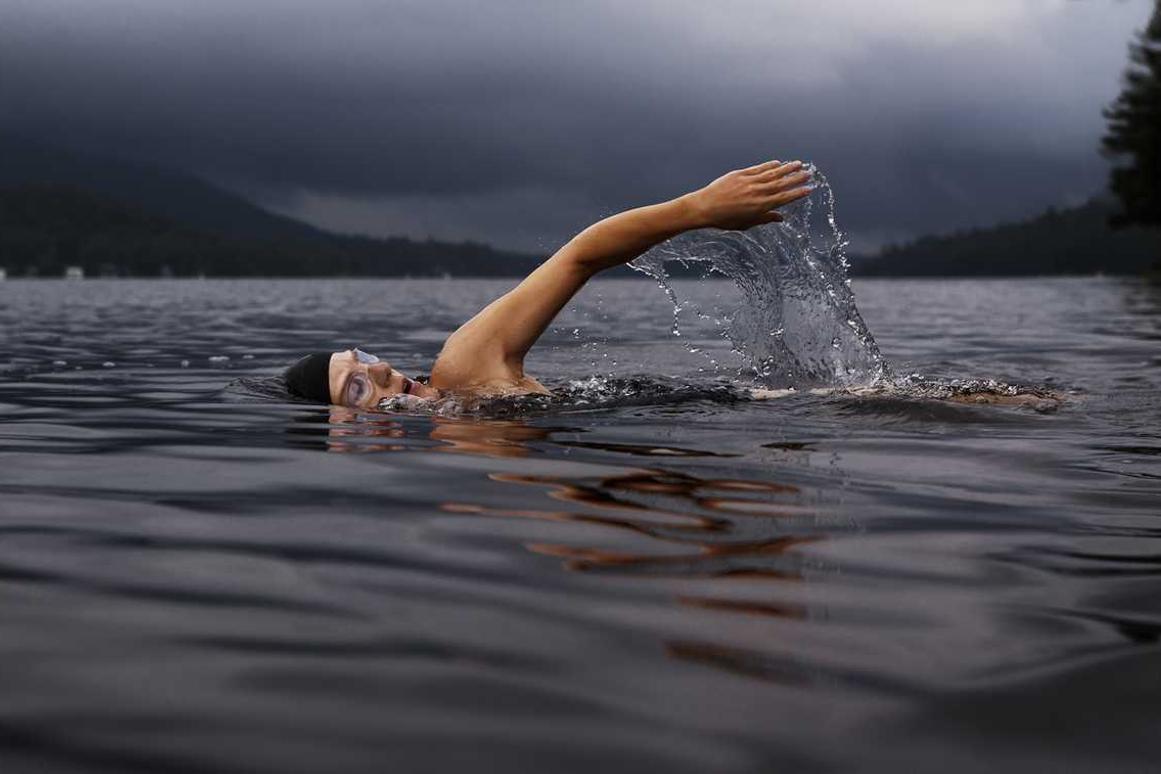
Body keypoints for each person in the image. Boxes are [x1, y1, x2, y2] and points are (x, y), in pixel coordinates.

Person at [285, 160, 813, 408]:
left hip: (764, 407)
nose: (379, 368)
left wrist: (697, 209)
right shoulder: (456, 439)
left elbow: (579, 257)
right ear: (345, 435)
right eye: (356, 386)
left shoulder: (463, 370)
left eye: (363, 357)